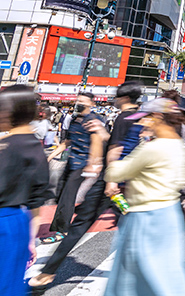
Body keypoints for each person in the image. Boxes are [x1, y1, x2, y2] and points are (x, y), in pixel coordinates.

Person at [29, 82, 144, 291]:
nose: (115, 100)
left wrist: (110, 181)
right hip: (130, 181)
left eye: (117, 97)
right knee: (133, 222)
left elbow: (116, 149)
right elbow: (126, 144)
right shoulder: (139, 116)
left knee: (80, 225)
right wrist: (103, 133)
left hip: (110, 182)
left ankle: (46, 274)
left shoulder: (122, 117)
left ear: (124, 98)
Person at [103, 97, 185, 295]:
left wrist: (111, 159)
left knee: (132, 276)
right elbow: (180, 181)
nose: (142, 122)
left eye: (146, 118)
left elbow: (116, 172)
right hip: (169, 214)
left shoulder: (152, 148)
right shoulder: (178, 145)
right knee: (167, 272)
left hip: (144, 216)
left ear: (158, 117)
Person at [0, 86, 53, 296]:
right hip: (17, 225)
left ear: (10, 111)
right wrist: (30, 241)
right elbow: (36, 203)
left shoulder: (6, 147)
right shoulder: (35, 148)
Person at [42, 92, 105, 244]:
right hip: (71, 162)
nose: (79, 103)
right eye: (78, 100)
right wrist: (50, 157)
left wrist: (92, 163)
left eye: (83, 101)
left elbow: (96, 141)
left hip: (81, 164)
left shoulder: (94, 120)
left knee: (67, 197)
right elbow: (67, 142)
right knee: (60, 193)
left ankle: (62, 231)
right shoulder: (75, 119)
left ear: (91, 103)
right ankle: (65, 223)